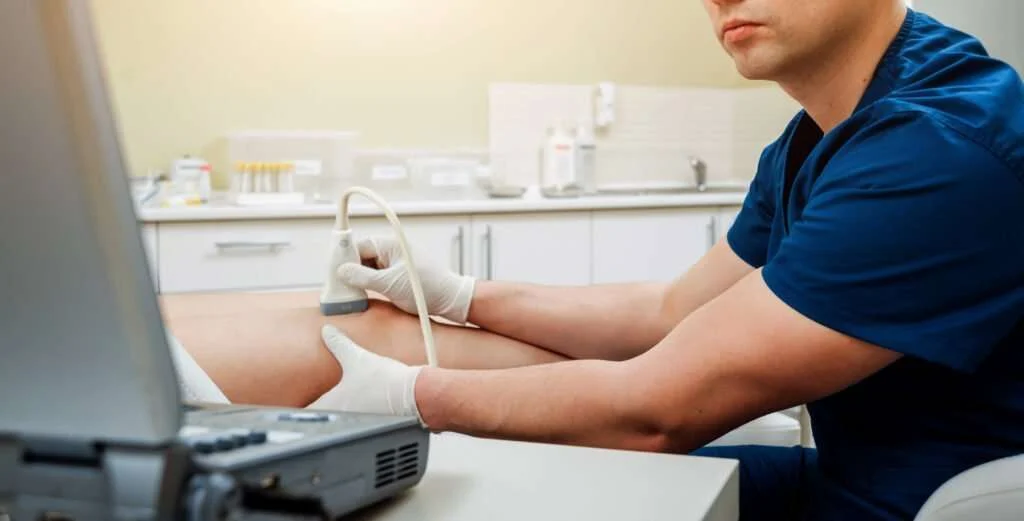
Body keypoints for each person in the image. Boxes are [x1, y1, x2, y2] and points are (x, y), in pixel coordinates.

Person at [295, 1, 1024, 520]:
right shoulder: (819, 135)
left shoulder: (939, 150)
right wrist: (460, 293)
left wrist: (411, 396)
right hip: (846, 477)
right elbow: (671, 313)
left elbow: (656, 409)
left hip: (923, 502)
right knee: (547, 488)